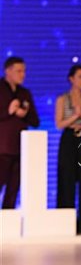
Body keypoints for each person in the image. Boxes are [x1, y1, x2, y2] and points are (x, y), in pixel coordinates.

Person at [55, 64, 81, 233]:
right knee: (67, 179)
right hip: (68, 138)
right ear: (71, 79)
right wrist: (75, 115)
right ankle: (65, 223)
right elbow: (59, 123)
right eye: (80, 77)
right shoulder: (62, 99)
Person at [0, 56, 39, 209]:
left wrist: (25, 114)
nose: (23, 74)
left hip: (20, 149)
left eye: (24, 71)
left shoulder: (25, 93)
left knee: (13, 190)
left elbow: (35, 121)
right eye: (19, 71)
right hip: (2, 149)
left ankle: (7, 220)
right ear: (8, 71)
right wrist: (8, 111)